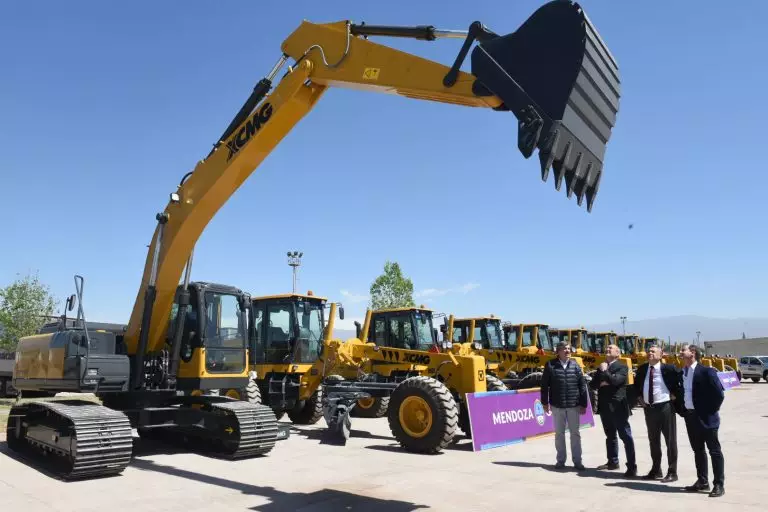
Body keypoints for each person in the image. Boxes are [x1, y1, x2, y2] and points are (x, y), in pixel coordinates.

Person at [679, 343, 726, 497]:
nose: (680, 352)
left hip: (707, 418)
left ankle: (719, 484)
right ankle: (702, 481)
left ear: (692, 353)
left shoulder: (707, 372)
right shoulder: (683, 372)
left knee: (714, 451)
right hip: (691, 417)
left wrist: (711, 410)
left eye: (683, 350)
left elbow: (719, 394)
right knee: (698, 451)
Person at [634, 344, 682, 482]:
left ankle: (672, 472)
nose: (650, 353)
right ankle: (656, 470)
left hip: (665, 408)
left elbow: (681, 383)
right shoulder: (643, 369)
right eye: (649, 351)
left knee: (670, 441)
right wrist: (639, 399)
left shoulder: (669, 369)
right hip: (649, 409)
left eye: (654, 351)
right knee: (653, 441)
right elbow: (636, 386)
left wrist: (675, 396)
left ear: (661, 355)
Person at [590, 344, 637, 476]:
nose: (607, 349)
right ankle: (612, 462)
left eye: (611, 348)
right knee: (610, 436)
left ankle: (632, 466)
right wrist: (603, 380)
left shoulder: (622, 366)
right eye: (607, 347)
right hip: (605, 407)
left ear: (618, 353)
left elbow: (616, 381)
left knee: (625, 436)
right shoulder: (602, 365)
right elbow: (593, 384)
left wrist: (605, 373)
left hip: (618, 407)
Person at [540, 342, 588, 470]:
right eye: (564, 349)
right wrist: (545, 403)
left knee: (575, 434)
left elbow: (582, 386)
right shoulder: (550, 365)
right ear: (558, 352)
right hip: (557, 405)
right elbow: (544, 386)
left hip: (574, 405)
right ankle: (561, 460)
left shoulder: (575, 365)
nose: (568, 351)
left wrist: (584, 404)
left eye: (569, 348)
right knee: (559, 434)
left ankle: (578, 461)